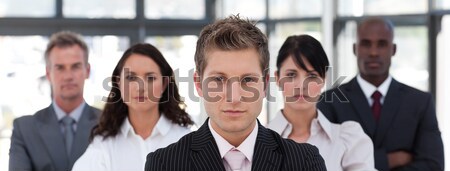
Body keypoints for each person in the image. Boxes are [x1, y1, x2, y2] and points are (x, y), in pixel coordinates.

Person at [145, 15, 326, 171]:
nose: (234, 97)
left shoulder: (305, 163)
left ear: (264, 84)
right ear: (198, 84)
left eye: (247, 80)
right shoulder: (164, 164)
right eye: (219, 80)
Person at [317, 17, 444, 171]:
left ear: (394, 49)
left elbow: (433, 165)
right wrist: (389, 159)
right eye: (366, 44)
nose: (373, 52)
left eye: (382, 44)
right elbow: (324, 162)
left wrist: (358, 162)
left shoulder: (420, 102)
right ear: (355, 49)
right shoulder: (330, 101)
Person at [72, 43, 194, 171]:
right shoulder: (104, 146)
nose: (140, 87)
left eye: (150, 78)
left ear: (164, 84)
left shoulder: (186, 142)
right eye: (131, 77)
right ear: (118, 83)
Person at [267, 35, 376, 171]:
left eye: (312, 76)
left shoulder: (347, 141)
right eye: (291, 75)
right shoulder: (255, 141)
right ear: (277, 79)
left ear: (323, 79)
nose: (301, 85)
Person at [9, 31, 101, 171]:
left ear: (87, 71)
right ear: (48, 73)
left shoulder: (108, 123)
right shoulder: (25, 129)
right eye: (60, 68)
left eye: (75, 66)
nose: (68, 76)